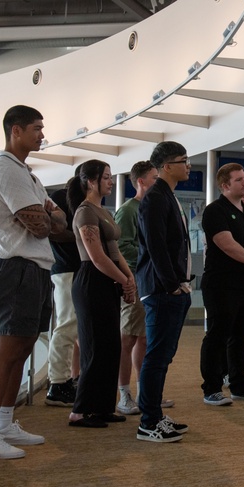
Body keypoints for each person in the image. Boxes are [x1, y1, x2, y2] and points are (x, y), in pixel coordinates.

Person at [0, 105, 66, 459]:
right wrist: (47, 214)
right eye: (36, 128)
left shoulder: (29, 174)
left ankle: (4, 423)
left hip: (35, 268)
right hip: (14, 269)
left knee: (24, 349)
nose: (42, 134)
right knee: (7, 352)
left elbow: (59, 217)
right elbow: (42, 225)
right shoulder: (5, 170)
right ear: (16, 130)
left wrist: (49, 213)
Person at [66, 159, 136, 428]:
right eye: (106, 177)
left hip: (107, 280)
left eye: (110, 176)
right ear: (91, 181)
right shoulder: (84, 212)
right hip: (91, 280)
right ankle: (80, 411)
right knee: (95, 347)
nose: (111, 181)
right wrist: (124, 281)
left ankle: (103, 406)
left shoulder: (103, 211)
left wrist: (128, 278)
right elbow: (96, 258)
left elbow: (114, 252)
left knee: (111, 346)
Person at [134, 141, 193, 442]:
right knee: (156, 356)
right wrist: (172, 285)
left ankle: (154, 414)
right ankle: (148, 422)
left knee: (164, 355)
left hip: (171, 288)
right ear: (167, 166)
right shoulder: (155, 197)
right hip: (160, 290)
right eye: (183, 160)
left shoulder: (167, 196)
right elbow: (156, 246)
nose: (189, 165)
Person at [200, 162, 244, 406]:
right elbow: (226, 244)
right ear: (225, 185)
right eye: (239, 179)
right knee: (217, 336)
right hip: (221, 284)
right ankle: (211, 389)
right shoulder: (214, 211)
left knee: (241, 338)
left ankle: (240, 387)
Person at [113, 160, 172, 415]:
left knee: (145, 338)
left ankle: (145, 392)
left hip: (150, 280)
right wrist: (139, 269)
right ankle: (124, 394)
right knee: (128, 338)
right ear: (141, 181)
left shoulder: (154, 206)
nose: (157, 181)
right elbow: (122, 246)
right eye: (153, 177)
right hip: (135, 279)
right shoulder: (128, 210)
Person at [45, 172, 82, 407]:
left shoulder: (80, 202)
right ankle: (57, 383)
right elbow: (54, 231)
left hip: (78, 269)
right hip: (65, 269)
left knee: (75, 325)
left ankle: (66, 379)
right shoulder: (60, 197)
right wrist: (84, 236)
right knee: (67, 324)